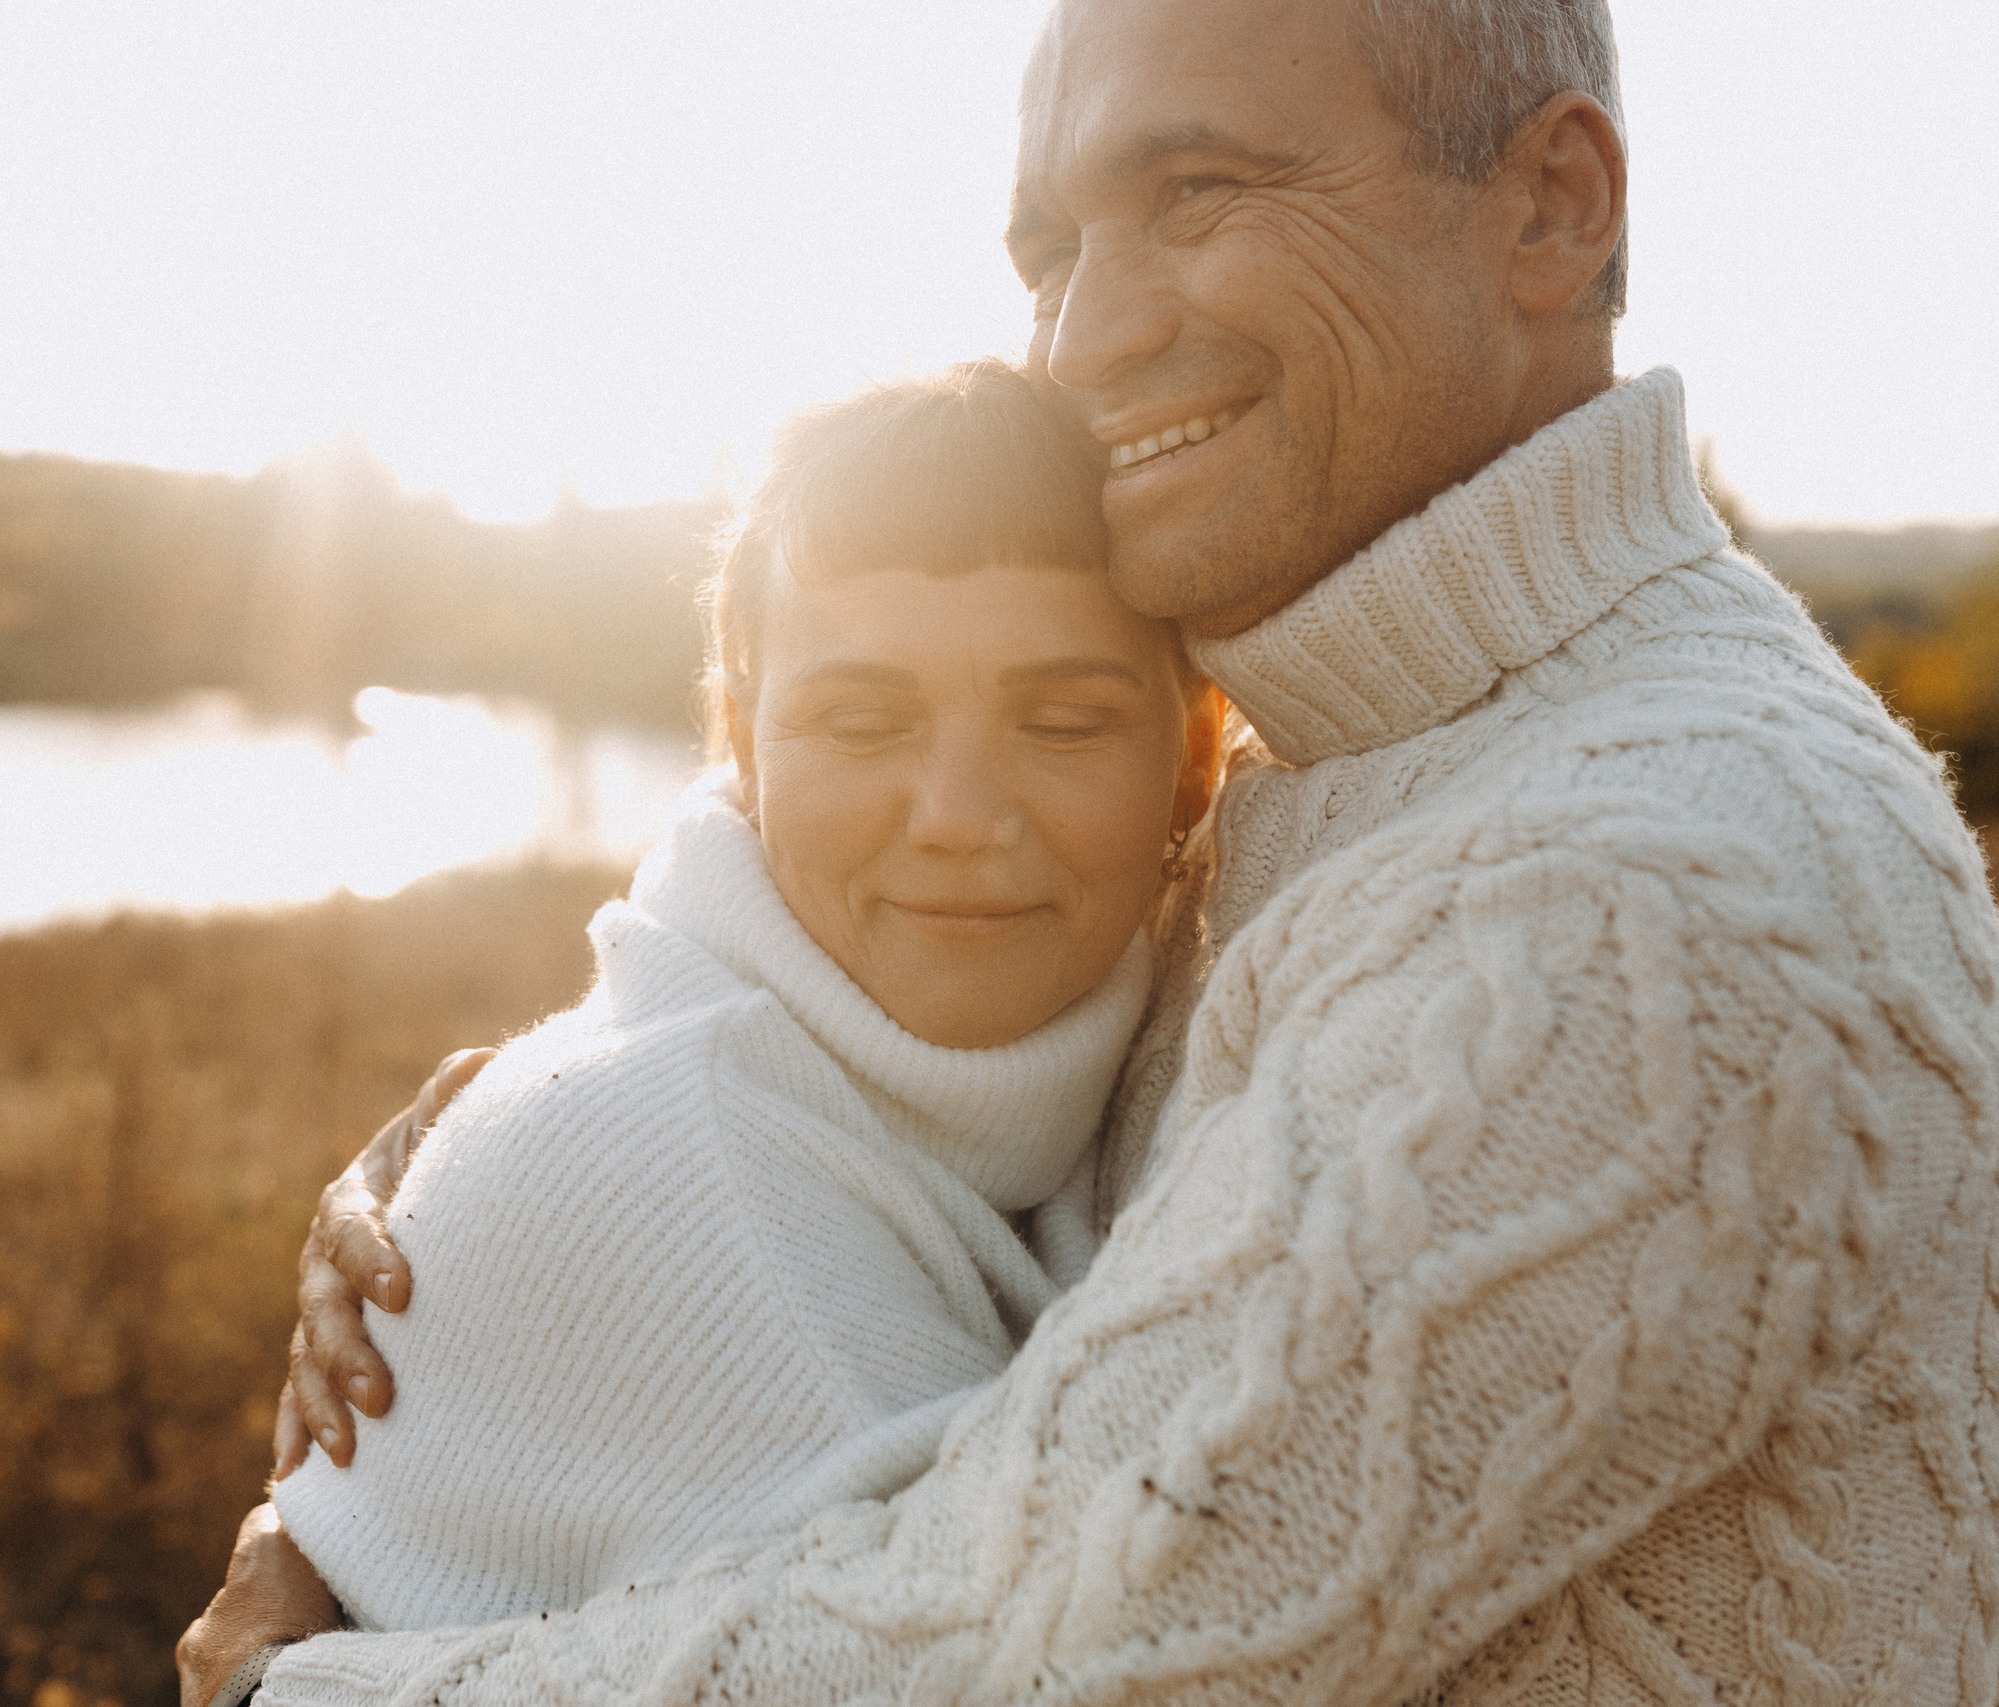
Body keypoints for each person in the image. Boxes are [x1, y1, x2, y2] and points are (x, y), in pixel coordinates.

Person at [185, 0, 1999, 1702]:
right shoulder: (1349, 764)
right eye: (1050, 252)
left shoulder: (1653, 878)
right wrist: (522, 1184)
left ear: (1552, 205)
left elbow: (1028, 1642)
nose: (1082, 337)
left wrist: (314, 1685)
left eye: (1194, 191)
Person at [260, 359, 1210, 1636]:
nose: (958, 815)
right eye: (862, 723)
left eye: (1064, 720)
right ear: (744, 744)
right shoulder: (735, 1232)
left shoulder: (1117, 1055)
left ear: (1194, 756)